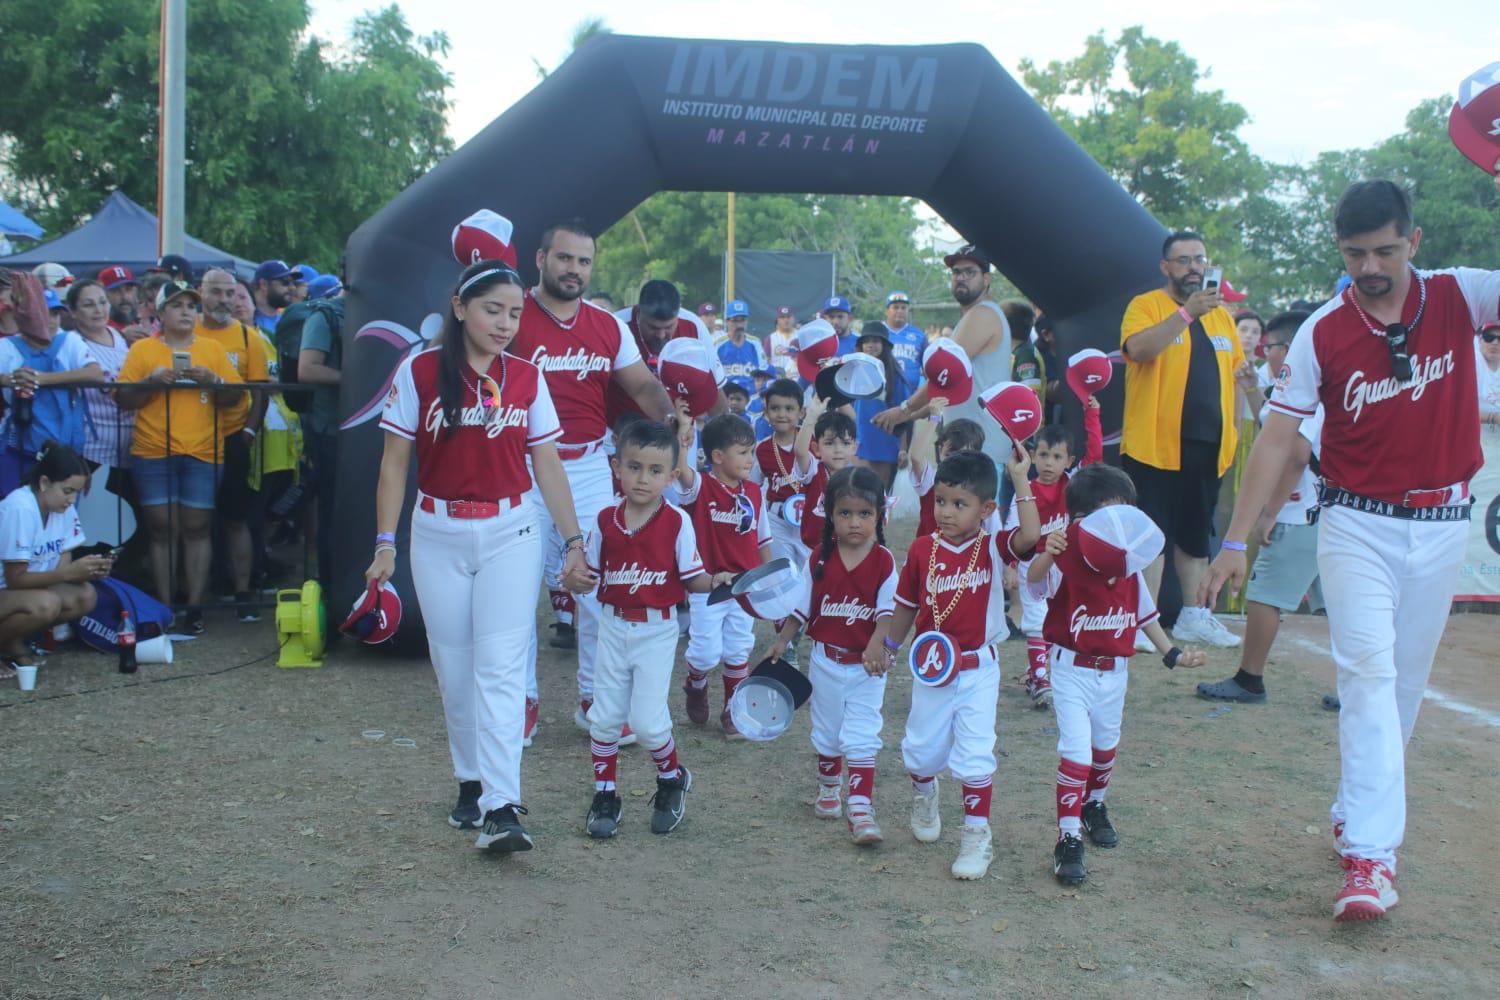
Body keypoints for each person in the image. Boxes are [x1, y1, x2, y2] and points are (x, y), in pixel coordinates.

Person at [1201, 177, 1500, 923]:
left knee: (1399, 688)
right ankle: (1371, 858)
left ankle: (1353, 810)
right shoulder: (1323, 331)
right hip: (1356, 522)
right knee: (1366, 672)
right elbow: (1277, 438)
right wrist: (1237, 536)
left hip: (1442, 524)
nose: (1370, 267)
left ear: (1414, 242)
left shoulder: (1462, 295)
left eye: (1385, 251)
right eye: (1354, 252)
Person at [367, 260, 590, 854]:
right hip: (436, 532)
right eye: (494, 309)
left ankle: (503, 805)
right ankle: (471, 779)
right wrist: (385, 543)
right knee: (454, 667)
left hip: (510, 531)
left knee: (499, 667)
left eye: (516, 313)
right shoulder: (417, 372)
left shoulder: (526, 378)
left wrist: (573, 540)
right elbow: (394, 462)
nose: (506, 323)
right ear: (461, 307)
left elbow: (547, 463)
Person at [511, 219, 673, 744]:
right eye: (564, 258)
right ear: (541, 259)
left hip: (585, 465)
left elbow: (644, 386)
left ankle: (595, 699)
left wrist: (674, 428)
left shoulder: (606, 326)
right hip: (520, 464)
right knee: (516, 593)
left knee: (601, 585)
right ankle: (522, 704)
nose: (574, 269)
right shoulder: (513, 313)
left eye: (583, 261)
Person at [1025, 465, 1206, 886]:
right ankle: (1067, 837)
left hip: (1115, 672)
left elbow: (1146, 614)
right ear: (1081, 519)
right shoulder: (1066, 552)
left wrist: (1173, 654)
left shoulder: (1128, 565)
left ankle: (1094, 805)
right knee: (1077, 753)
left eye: (1127, 513)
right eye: (1110, 514)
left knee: (1105, 750)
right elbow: (1033, 586)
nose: (1121, 524)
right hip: (1071, 669)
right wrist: (1047, 551)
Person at [885, 448, 1040, 879]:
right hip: (931, 667)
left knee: (974, 752)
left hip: (978, 668)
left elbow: (1029, 537)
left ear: (986, 509)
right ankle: (924, 792)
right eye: (940, 501)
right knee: (919, 751)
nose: (947, 512)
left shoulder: (992, 545)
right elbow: (903, 607)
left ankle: (976, 835)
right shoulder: (921, 550)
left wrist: (1021, 480)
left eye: (960, 504)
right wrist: (889, 647)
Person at [579, 418, 731, 839]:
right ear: (616, 466)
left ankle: (670, 777)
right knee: (605, 718)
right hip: (612, 626)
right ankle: (605, 794)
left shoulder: (676, 521)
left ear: (670, 475)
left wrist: (716, 581)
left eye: (655, 470)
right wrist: (573, 576)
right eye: (633, 466)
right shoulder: (605, 519)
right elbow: (588, 575)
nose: (642, 478)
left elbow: (693, 578)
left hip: (656, 629)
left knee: (647, 723)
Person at [1119, 230, 1252, 649]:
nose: (1194, 267)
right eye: (1184, 260)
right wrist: (1186, 314)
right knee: (1152, 535)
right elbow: (1137, 350)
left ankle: (1194, 617)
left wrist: (1233, 429)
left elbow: (1237, 374)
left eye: (1200, 259)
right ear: (1166, 267)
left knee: (1197, 534)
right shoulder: (1146, 306)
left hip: (1208, 447)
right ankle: (1145, 623)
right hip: (1153, 446)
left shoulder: (1223, 317)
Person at [1198, 312, 1323, 705]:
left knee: (1265, 593)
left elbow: (1296, 453)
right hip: (1326, 507)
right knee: (1341, 603)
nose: (1264, 351)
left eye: (1269, 345)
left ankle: (1249, 677)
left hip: (1300, 509)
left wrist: (1270, 510)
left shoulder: (1307, 383)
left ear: (1287, 349)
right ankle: (1364, 688)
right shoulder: (1319, 381)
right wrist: (1253, 390)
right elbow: (1274, 420)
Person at [767, 465, 896, 844]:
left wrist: (879, 642)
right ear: (829, 514)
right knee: (826, 730)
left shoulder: (885, 561)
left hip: (867, 665)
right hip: (825, 659)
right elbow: (801, 607)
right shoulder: (818, 558)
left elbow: (890, 612)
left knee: (861, 732)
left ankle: (860, 807)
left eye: (865, 514)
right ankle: (828, 787)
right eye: (845, 513)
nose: (855, 522)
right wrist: (783, 640)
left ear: (879, 516)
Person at [116, 282, 244, 631]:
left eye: (192, 305)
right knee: (160, 529)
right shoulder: (143, 349)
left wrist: (214, 380)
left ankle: (194, 608)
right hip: (153, 450)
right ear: (160, 313)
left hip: (203, 450)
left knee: (197, 527)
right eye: (178, 305)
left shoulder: (213, 349)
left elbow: (235, 398)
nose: (187, 311)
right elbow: (122, 399)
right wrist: (152, 381)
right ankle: (164, 605)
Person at [873, 246, 1013, 488]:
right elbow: (949, 391)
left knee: (981, 525)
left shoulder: (983, 315)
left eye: (970, 272)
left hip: (983, 450)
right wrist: (913, 415)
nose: (961, 277)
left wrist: (904, 410)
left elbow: (944, 377)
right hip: (970, 446)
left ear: (986, 279)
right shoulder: (972, 317)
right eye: (956, 272)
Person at [675, 413, 773, 737]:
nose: (750, 459)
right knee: (705, 652)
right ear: (718, 456)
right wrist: (683, 439)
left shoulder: (756, 492)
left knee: (738, 648)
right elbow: (683, 473)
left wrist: (770, 583)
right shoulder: (702, 486)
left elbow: (763, 541)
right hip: (709, 585)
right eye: (742, 452)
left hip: (744, 586)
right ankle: (696, 682)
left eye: (751, 451)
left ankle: (734, 709)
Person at [1005, 395, 1103, 707]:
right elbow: (1011, 531)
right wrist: (1010, 565)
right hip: (1033, 562)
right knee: (1035, 619)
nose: (1049, 463)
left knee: (1058, 618)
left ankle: (1040, 670)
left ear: (1069, 460)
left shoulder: (1073, 486)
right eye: (1043, 454)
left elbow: (1095, 456)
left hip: (1065, 564)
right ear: (1031, 457)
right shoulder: (1026, 490)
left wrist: (1092, 414)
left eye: (1057, 457)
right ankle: (1040, 679)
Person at [196, 269, 272, 619]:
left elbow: (260, 390)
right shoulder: (183, 333)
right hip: (189, 439)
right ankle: (196, 596)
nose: (224, 300)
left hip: (233, 437)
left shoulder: (248, 336)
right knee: (193, 522)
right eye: (216, 292)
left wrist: (249, 432)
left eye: (230, 293)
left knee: (236, 519)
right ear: (201, 293)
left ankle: (242, 593)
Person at [0, 443, 108, 679]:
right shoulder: (20, 507)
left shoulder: (61, 508)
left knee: (85, 595)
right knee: (47, 603)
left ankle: (11, 643)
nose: (72, 499)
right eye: (67, 490)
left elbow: (64, 554)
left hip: (22, 590)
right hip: (10, 588)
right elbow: (15, 579)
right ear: (45, 483)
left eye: (76, 492)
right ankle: (9, 645)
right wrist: (68, 574)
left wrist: (89, 570)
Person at [0, 274, 103, 494]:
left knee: (61, 518)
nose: (53, 320)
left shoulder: (69, 340)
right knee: (14, 513)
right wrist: (7, 380)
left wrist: (41, 379)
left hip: (65, 451)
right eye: (46, 314)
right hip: (18, 449)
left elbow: (95, 374)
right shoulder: (7, 346)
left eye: (56, 313)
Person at [609, 279, 725, 429]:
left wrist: (726, 436)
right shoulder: (616, 325)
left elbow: (714, 386)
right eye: (653, 327)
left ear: (678, 313)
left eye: (669, 327)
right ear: (639, 311)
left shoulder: (693, 326)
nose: (661, 335)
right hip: (620, 431)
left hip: (680, 428)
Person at [295, 276, 345, 591]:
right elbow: (307, 369)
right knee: (333, 514)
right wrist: (360, 376)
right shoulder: (324, 315)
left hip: (369, 431)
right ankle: (329, 589)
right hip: (330, 432)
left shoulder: (378, 308)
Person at [66, 280, 135, 469]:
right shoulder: (70, 342)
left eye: (103, 302)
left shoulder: (118, 335)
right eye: (89, 304)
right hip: (93, 448)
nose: (98, 309)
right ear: (73, 311)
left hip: (131, 442)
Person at [906, 400, 985, 538]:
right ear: (941, 449)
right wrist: (934, 418)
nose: (957, 461)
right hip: (929, 555)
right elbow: (916, 457)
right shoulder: (932, 480)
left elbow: (992, 531)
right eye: (950, 455)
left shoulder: (980, 488)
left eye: (963, 455)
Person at [794, 395, 858, 552]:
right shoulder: (814, 470)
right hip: (813, 550)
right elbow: (800, 452)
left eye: (845, 443)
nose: (838, 450)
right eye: (829, 443)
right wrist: (811, 416)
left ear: (854, 447)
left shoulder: (859, 479)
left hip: (848, 551)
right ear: (816, 449)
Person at [852, 327, 910, 488]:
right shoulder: (853, 371)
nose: (871, 345)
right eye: (866, 341)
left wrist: (903, 449)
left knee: (879, 490)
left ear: (885, 345)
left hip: (884, 441)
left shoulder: (894, 376)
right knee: (857, 487)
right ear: (861, 345)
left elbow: (904, 413)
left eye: (876, 341)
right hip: (858, 439)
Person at [879, 291, 926, 392]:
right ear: (887, 311)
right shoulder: (877, 331)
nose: (900, 311)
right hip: (881, 394)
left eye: (903, 307)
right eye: (895, 307)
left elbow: (928, 368)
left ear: (908, 310)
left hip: (911, 396)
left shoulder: (919, 335)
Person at [716, 300, 766, 394]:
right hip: (727, 398)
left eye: (742, 320)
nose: (739, 325)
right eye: (735, 320)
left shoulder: (755, 343)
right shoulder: (718, 345)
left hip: (751, 398)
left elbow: (763, 372)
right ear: (727, 321)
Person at [97, 265, 149, 342]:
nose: (125, 297)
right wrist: (120, 337)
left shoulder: (138, 326)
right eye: (116, 290)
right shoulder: (97, 328)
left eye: (128, 289)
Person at [251, 260, 298, 339]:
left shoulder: (286, 321)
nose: (292, 287)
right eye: (285, 282)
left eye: (293, 283)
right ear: (264, 285)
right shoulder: (245, 317)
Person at [1477, 321, 1500, 425]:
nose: (1495, 342)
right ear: (1480, 340)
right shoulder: (1472, 362)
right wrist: (1493, 418)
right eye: (1489, 337)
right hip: (1479, 428)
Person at [767, 306, 798, 379]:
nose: (786, 320)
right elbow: (766, 362)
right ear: (778, 320)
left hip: (796, 378)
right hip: (777, 379)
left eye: (788, 317)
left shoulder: (800, 335)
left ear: (793, 319)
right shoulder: (770, 339)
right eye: (782, 317)